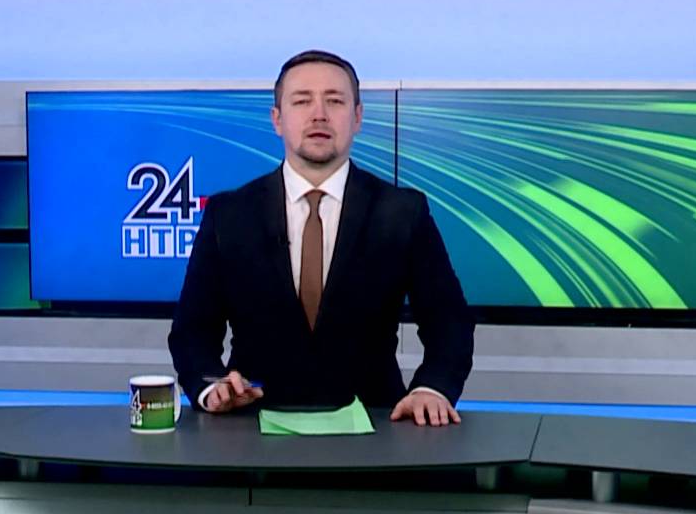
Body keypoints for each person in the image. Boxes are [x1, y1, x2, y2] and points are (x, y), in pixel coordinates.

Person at [167, 50, 475, 426]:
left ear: (358, 117)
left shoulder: (401, 211)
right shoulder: (229, 214)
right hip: (251, 429)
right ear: (277, 119)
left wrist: (431, 388)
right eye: (302, 101)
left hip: (376, 428)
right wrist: (210, 387)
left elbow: (449, 322)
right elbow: (192, 331)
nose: (319, 115)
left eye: (334, 101)